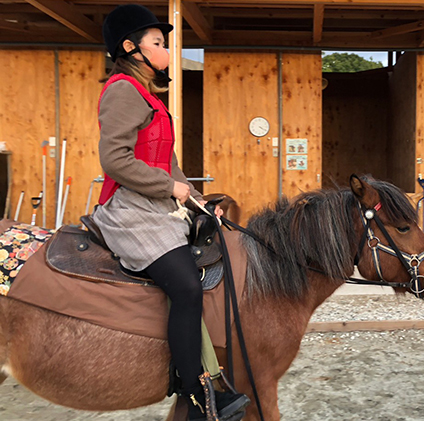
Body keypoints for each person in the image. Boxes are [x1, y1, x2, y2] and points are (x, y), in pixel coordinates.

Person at [94, 4, 249, 420]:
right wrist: (170, 187)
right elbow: (115, 159)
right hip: (129, 206)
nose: (166, 50)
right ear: (130, 47)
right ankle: (196, 396)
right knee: (186, 287)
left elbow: (169, 162)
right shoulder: (122, 89)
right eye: (159, 43)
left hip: (157, 201)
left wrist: (193, 197)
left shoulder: (149, 95)